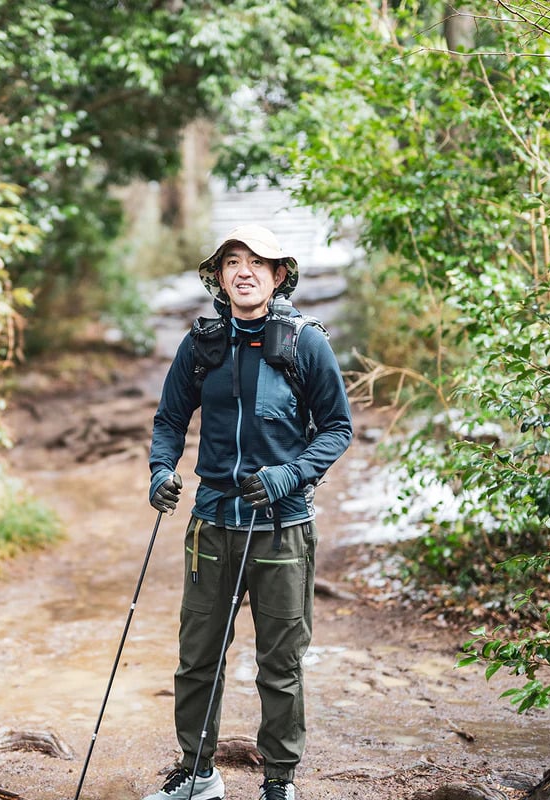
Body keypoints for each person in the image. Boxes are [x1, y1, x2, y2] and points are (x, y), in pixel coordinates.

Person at [144, 225, 353, 800]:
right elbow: (168, 420)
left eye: (258, 262)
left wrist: (291, 474)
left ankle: (279, 781)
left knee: (280, 665)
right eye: (233, 262)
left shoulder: (306, 343)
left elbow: (338, 429)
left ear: (279, 275)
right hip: (212, 524)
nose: (245, 271)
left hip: (283, 531)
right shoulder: (202, 343)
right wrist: (162, 472)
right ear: (218, 275)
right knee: (197, 659)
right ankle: (197, 772)